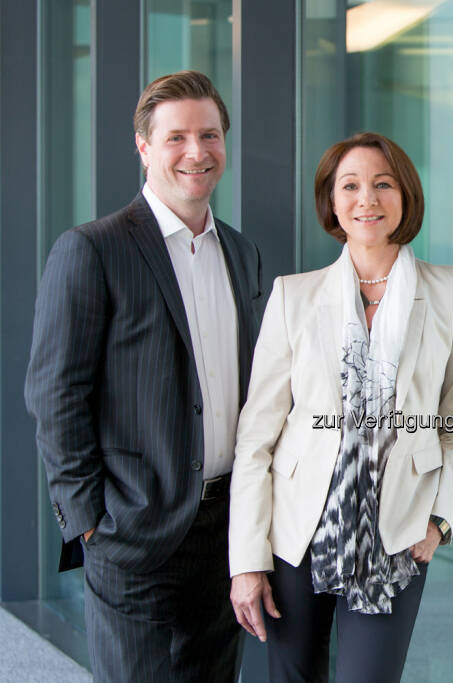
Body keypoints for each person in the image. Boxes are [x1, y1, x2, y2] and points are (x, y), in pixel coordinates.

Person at [24, 70, 261, 682]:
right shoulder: (92, 249)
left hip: (224, 531)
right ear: (144, 146)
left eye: (209, 135)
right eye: (177, 136)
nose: (196, 152)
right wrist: (90, 521)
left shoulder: (240, 252)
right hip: (132, 530)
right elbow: (55, 392)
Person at [228, 132, 453, 682]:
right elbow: (257, 438)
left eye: (383, 184)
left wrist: (439, 520)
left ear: (405, 196)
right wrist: (246, 560)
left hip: (397, 531)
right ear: (333, 202)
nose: (368, 198)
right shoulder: (293, 296)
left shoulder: (451, 292)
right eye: (351, 186)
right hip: (297, 529)